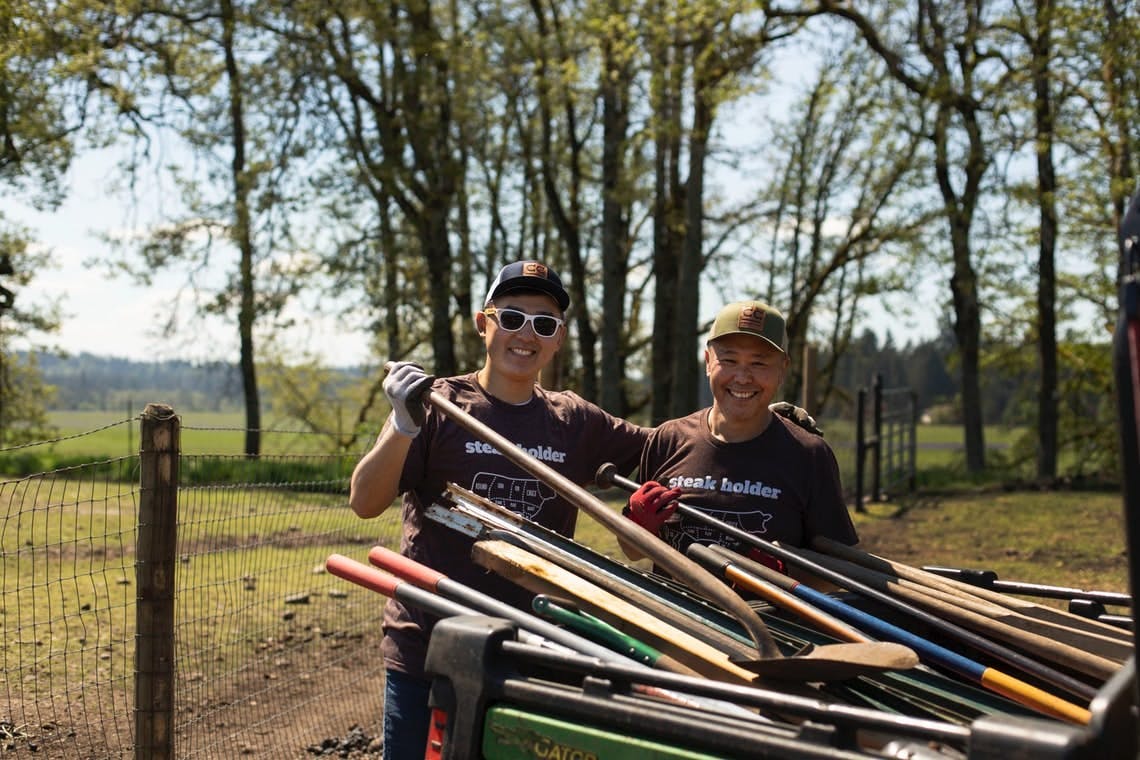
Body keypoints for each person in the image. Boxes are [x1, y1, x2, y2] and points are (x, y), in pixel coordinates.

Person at [348, 260, 651, 760]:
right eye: (511, 317)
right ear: (482, 322)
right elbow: (364, 501)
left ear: (558, 339)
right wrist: (403, 424)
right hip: (430, 645)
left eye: (544, 323)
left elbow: (663, 448)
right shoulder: (439, 405)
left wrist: (744, 420)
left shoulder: (573, 421)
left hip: (531, 648)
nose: (526, 334)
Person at [621, 299, 858, 569]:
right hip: (673, 609)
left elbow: (840, 569)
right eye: (730, 360)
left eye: (759, 363)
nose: (743, 377)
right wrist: (637, 526)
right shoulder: (667, 440)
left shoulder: (809, 456)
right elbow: (632, 552)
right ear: (708, 361)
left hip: (765, 612)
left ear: (783, 369)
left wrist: (785, 572)